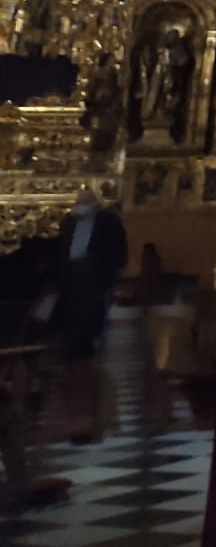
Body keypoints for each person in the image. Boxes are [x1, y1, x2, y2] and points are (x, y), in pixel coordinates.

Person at [45, 189, 126, 442]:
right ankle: (73, 414)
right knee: (69, 355)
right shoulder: (67, 222)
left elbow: (118, 254)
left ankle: (87, 414)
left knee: (84, 355)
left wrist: (105, 282)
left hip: (92, 289)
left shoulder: (108, 222)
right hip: (68, 290)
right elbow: (59, 253)